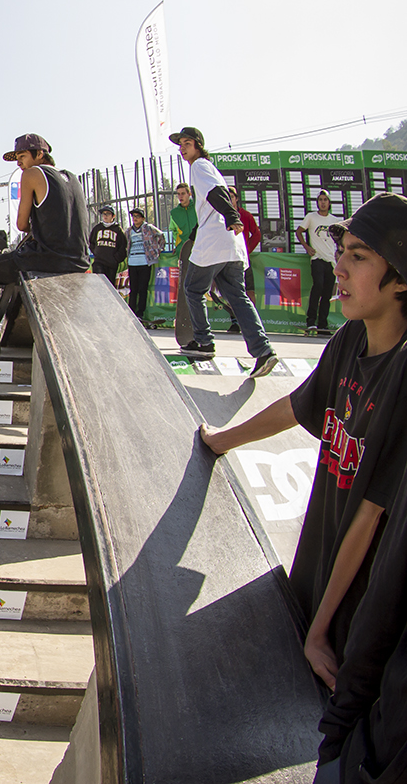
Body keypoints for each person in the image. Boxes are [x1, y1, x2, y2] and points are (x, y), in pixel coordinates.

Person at [200, 194, 407, 706]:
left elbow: (369, 516)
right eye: (342, 252)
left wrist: (320, 628)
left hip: (355, 609)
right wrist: (221, 440)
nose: (338, 267)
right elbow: (297, 405)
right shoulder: (349, 340)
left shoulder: (403, 375)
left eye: (359, 257)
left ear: (401, 277)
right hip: (316, 574)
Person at [0, 134, 91, 354]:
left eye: (22, 156)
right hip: (79, 261)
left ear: (40, 154)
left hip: (47, 258)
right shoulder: (72, 177)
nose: (19, 163)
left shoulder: (32, 174)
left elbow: (22, 224)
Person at [170, 126, 278, 376]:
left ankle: (205, 342)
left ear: (198, 145)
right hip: (231, 244)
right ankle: (264, 351)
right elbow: (211, 202)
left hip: (215, 241)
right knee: (237, 297)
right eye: (180, 145)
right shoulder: (212, 168)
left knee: (193, 289)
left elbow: (216, 195)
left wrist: (232, 216)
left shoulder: (198, 166)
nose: (182, 148)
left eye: (187, 143)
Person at [299, 189, 342, 336]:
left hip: (330, 260)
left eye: (325, 200)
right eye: (320, 200)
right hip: (317, 258)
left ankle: (323, 325)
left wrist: (339, 253)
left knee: (327, 292)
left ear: (329, 203)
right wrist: (307, 247)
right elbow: (299, 231)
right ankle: (311, 321)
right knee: (318, 286)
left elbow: (338, 240)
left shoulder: (334, 220)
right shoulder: (311, 217)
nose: (323, 202)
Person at [125, 208, 165, 322]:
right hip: (132, 261)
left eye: (138, 216)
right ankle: (131, 311)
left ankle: (140, 313)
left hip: (144, 261)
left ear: (143, 218)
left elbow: (161, 236)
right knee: (133, 289)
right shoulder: (128, 231)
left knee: (143, 288)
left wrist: (157, 250)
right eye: (133, 216)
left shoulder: (148, 228)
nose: (135, 218)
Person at [89, 206, 128, 287]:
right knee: (98, 286)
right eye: (104, 214)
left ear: (113, 216)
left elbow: (123, 247)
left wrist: (115, 259)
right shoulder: (97, 228)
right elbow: (91, 242)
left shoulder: (118, 230)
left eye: (108, 214)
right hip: (98, 262)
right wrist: (96, 252)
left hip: (111, 264)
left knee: (109, 287)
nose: (105, 216)